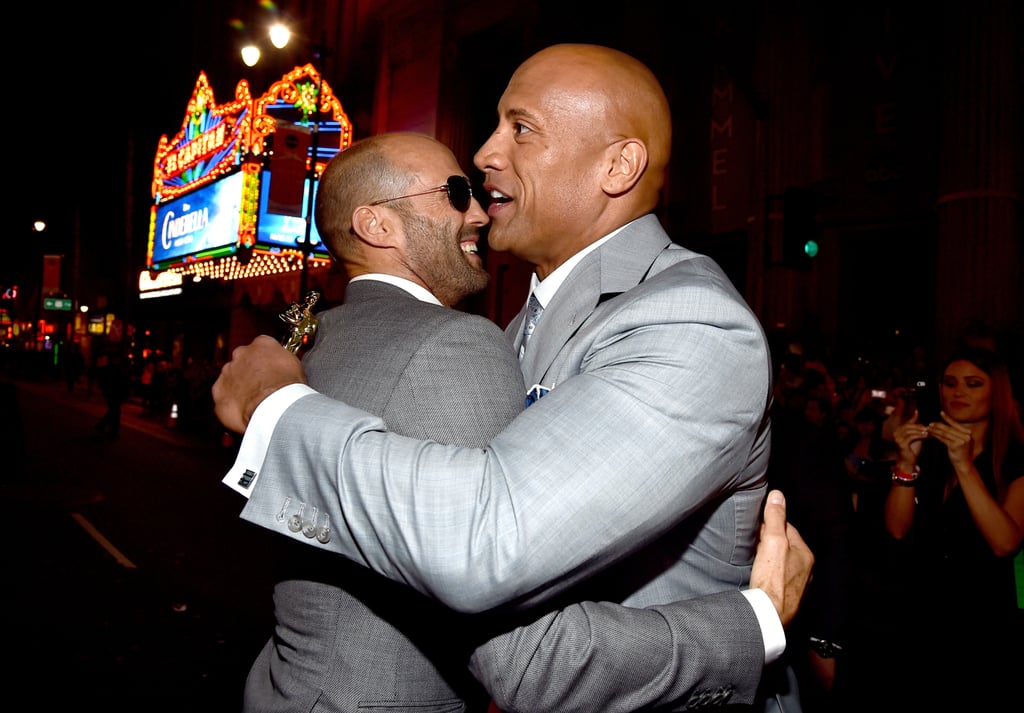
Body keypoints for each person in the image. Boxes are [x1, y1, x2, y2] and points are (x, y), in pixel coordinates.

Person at [215, 44, 814, 710]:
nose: (484, 153)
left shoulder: (690, 322)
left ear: (617, 166)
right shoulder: (513, 325)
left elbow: (485, 544)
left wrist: (275, 408)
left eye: (520, 128)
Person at [880, 345, 1024, 710]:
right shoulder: (931, 447)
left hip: (984, 623)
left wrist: (965, 467)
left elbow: (1005, 542)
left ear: (997, 391)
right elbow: (897, 529)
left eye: (973, 383)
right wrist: (906, 463)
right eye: (950, 382)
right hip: (922, 614)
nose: (958, 392)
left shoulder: (1015, 460)